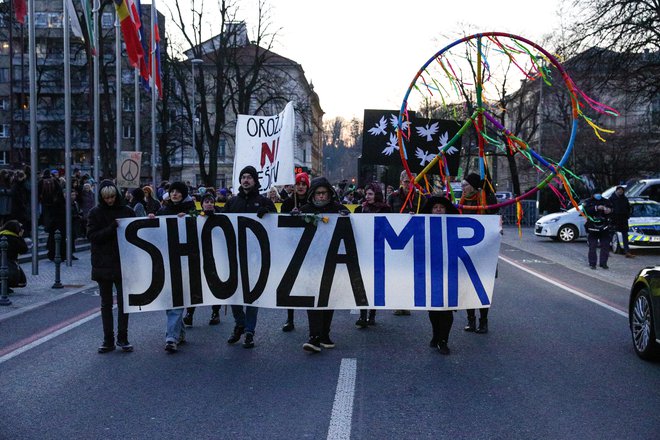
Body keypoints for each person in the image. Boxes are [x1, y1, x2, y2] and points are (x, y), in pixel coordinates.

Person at [223, 166, 276, 349]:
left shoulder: (264, 201)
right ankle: (240, 323)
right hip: (235, 255)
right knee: (234, 293)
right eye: (243, 177)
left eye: (249, 177)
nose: (246, 180)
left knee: (252, 295)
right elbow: (221, 224)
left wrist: (268, 213)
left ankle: (249, 331)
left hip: (256, 257)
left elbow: (276, 226)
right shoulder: (232, 202)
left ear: (255, 180)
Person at [301, 176, 350, 353]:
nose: (322, 197)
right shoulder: (304, 210)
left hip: (333, 262)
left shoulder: (339, 210)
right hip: (311, 264)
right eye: (318, 193)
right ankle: (314, 336)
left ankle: (324, 333)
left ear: (330, 194)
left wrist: (348, 218)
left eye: (324, 193)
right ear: (313, 195)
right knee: (313, 298)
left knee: (329, 298)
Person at [87, 180, 136, 353]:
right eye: (107, 198)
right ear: (102, 197)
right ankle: (108, 339)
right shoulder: (95, 213)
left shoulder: (127, 211)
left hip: (122, 263)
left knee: (124, 303)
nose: (110, 200)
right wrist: (112, 228)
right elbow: (92, 236)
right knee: (106, 304)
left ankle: (122, 338)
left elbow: (137, 231)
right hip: (103, 263)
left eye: (113, 197)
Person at [155, 181, 197, 353]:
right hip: (166, 259)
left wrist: (188, 220)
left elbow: (200, 227)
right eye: (172, 192)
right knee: (169, 298)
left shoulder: (191, 210)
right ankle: (178, 332)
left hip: (185, 260)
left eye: (178, 192)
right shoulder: (163, 211)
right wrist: (151, 220)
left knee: (177, 297)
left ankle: (171, 337)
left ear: (183, 194)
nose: (174, 194)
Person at [459, 173, 498, 334]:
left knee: (483, 287)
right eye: (462, 185)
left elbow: (495, 218)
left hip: (484, 251)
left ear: (474, 186)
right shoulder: (461, 202)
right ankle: (471, 320)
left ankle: (483, 321)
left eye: (465, 185)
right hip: (466, 250)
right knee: (467, 286)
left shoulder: (487, 199)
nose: (462, 188)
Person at [421, 196, 460, 354]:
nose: (438, 210)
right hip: (431, 271)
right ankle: (436, 335)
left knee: (446, 308)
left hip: (450, 271)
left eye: (441, 207)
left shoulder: (455, 226)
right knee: (433, 308)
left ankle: (444, 340)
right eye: (435, 207)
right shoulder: (422, 226)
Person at [387, 170, 425, 315]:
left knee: (410, 272)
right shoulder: (393, 197)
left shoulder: (420, 198)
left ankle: (407, 302)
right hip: (396, 239)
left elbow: (427, 215)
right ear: (401, 181)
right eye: (406, 181)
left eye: (412, 182)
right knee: (397, 271)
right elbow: (387, 215)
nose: (409, 185)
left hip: (414, 239)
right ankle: (398, 303)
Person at [354, 183, 391, 328]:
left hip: (379, 250)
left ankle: (372, 315)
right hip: (364, 251)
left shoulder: (385, 209)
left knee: (375, 284)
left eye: (370, 194)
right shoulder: (361, 208)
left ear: (376, 194)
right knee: (363, 283)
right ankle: (363, 315)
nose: (367, 197)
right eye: (366, 194)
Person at [182, 193, 222, 327]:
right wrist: (181, 217)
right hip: (197, 255)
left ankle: (215, 312)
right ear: (202, 203)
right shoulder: (195, 215)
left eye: (211, 201)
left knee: (215, 283)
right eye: (206, 201)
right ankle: (190, 313)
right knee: (195, 284)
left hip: (215, 255)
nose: (209, 204)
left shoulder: (221, 215)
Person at [279, 172, 310, 332]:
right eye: (298, 184)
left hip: (310, 248)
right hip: (291, 247)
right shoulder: (289, 202)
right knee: (290, 284)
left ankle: (313, 319)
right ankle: (290, 319)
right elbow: (280, 222)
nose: (301, 187)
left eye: (304, 184)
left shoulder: (312, 201)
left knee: (309, 285)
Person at [583, 189, 613, 270]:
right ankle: (592, 263)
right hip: (592, 227)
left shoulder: (606, 201)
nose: (598, 195)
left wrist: (608, 210)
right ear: (593, 194)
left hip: (604, 227)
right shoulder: (588, 202)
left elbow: (612, 209)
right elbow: (585, 210)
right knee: (592, 246)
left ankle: (603, 263)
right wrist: (596, 208)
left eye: (599, 193)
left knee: (605, 246)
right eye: (596, 193)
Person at [0, 220, 28, 292]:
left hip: (6, 263)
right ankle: (3, 287)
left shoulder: (1, 235)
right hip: (9, 264)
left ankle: (4, 286)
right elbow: (24, 249)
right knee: (21, 281)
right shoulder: (14, 238)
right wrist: (20, 237)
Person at [609, 185, 634, 258]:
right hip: (614, 219)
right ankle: (607, 250)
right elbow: (609, 208)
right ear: (616, 190)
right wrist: (611, 216)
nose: (620, 191)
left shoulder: (625, 199)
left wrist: (627, 215)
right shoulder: (612, 199)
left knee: (625, 235)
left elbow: (629, 208)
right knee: (611, 234)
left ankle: (627, 251)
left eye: (622, 190)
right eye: (619, 190)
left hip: (623, 219)